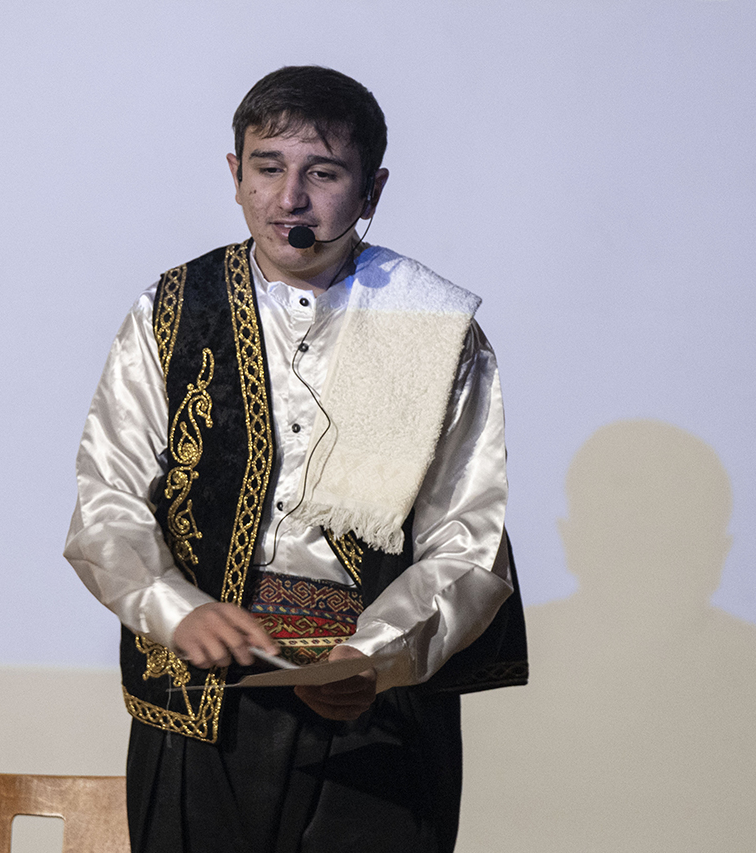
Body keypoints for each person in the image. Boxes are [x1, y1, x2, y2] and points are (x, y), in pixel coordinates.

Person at [64, 65, 526, 853]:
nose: (290, 199)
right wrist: (177, 608)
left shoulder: (432, 326)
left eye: (324, 173)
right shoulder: (170, 311)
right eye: (268, 167)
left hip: (374, 706)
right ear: (235, 175)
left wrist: (375, 654)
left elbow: (468, 541)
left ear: (371, 189)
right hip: (203, 698)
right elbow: (107, 500)